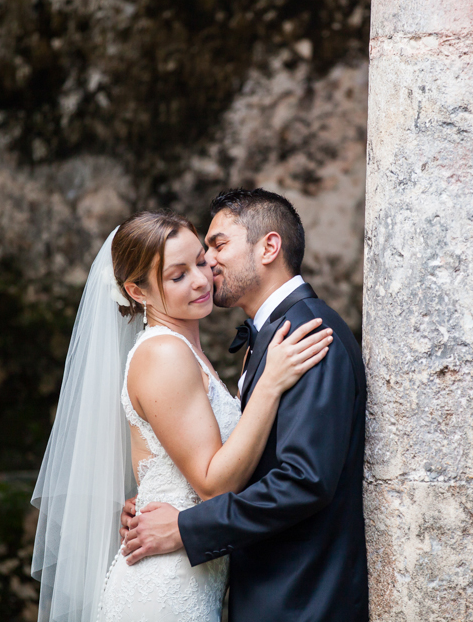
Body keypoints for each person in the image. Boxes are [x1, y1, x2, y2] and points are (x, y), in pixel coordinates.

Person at [31, 209, 333, 622]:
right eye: (177, 276)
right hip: (164, 586)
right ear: (137, 293)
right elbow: (213, 485)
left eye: (201, 261)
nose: (200, 280)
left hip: (191, 572)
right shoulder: (164, 354)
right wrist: (269, 385)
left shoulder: (189, 352)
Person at [119, 189, 370, 622]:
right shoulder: (271, 338)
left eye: (214, 249)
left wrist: (186, 526)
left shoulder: (307, 335)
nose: (207, 268)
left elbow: (304, 480)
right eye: (185, 269)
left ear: (269, 247)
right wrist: (151, 500)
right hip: (251, 590)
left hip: (299, 598)